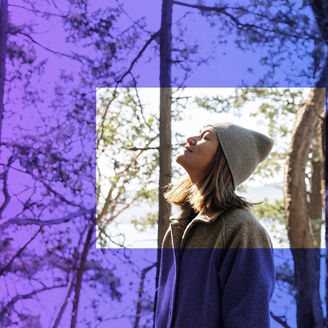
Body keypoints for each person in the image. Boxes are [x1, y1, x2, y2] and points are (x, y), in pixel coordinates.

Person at [154, 122, 275, 328]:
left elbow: (248, 319)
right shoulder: (178, 227)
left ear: (224, 159)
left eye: (206, 137)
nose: (191, 139)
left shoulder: (243, 229)